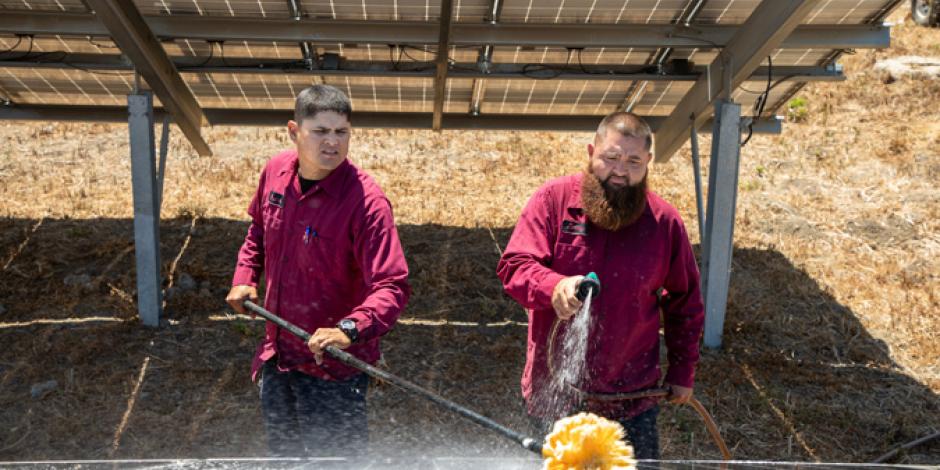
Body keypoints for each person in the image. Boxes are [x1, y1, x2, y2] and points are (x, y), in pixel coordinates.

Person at [496, 112, 704, 460]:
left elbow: (686, 303)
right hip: (557, 394)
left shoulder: (664, 222)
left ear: (649, 162)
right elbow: (514, 267)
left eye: (633, 161)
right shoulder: (553, 200)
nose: (620, 170)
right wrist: (554, 286)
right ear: (592, 152)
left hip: (632, 400)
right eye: (611, 158)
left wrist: (683, 370)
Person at [225, 84, 410, 457]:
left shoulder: (367, 204)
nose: (332, 143)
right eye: (320, 132)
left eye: (341, 132)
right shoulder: (275, 172)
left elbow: (392, 287)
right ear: (294, 131)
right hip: (278, 357)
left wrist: (347, 329)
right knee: (286, 460)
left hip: (333, 369)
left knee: (337, 465)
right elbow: (258, 232)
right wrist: (244, 277)